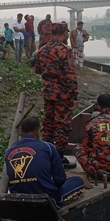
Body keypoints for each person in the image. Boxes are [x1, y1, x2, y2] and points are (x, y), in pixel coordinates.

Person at [5, 117, 85, 208]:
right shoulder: (48, 147)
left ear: (20, 132)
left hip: (19, 200)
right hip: (47, 200)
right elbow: (60, 179)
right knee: (78, 181)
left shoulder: (8, 151)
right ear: (38, 133)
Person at [34, 22, 78, 170]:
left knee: (49, 123)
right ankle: (58, 157)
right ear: (64, 33)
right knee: (62, 125)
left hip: (48, 92)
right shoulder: (64, 50)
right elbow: (70, 75)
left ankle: (46, 154)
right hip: (62, 94)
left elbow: (37, 70)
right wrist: (73, 95)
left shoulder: (42, 49)